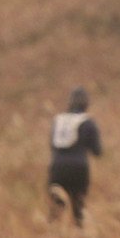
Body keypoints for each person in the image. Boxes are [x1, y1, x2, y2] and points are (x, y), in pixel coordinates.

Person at [44, 89, 101, 224]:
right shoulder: (88, 122)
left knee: (56, 209)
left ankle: (51, 237)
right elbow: (97, 151)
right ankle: (79, 235)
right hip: (79, 169)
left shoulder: (58, 120)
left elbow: (52, 145)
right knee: (78, 210)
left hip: (57, 168)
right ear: (86, 104)